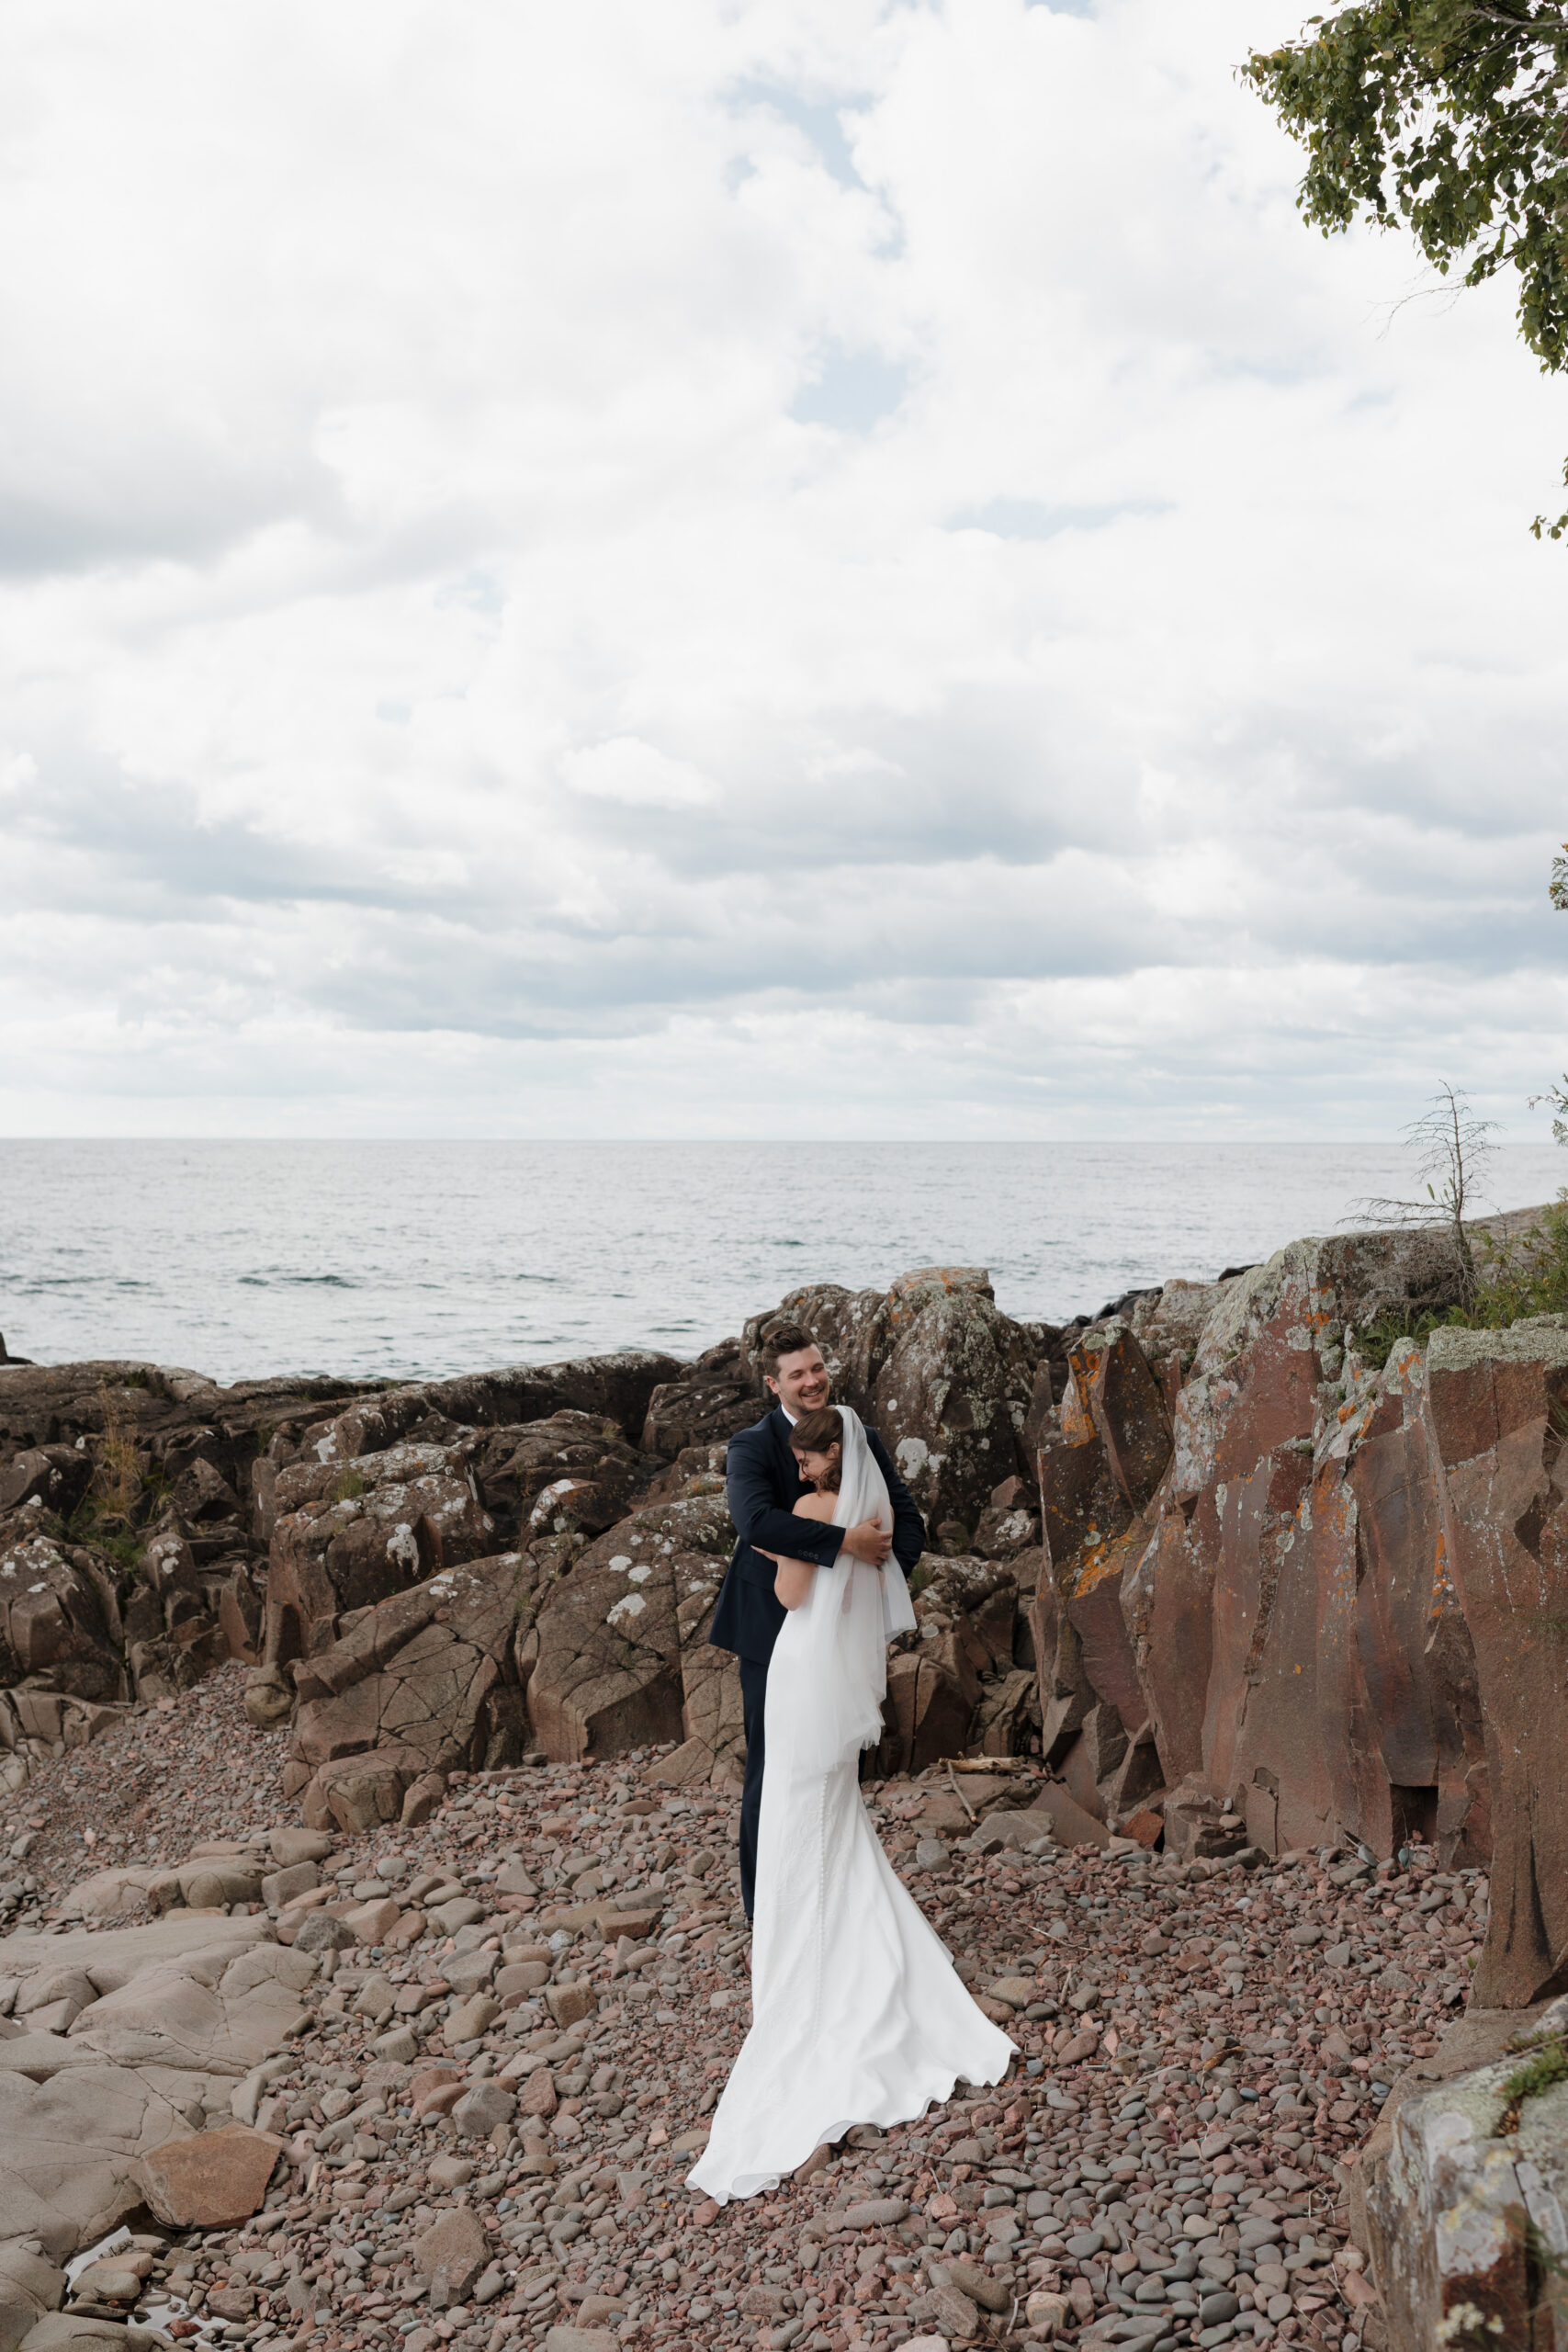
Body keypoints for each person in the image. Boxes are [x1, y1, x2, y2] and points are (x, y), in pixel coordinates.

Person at [688, 1403, 1014, 2202]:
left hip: (801, 1677)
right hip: (833, 1685)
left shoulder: (808, 1507)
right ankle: (857, 1952)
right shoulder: (868, 1513)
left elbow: (792, 1594)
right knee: (836, 1826)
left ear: (827, 1457)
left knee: (797, 1821)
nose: (797, 1472)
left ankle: (804, 1960)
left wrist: (776, 1538)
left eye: (806, 1460)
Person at [709, 1324, 925, 1919]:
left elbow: (906, 1525)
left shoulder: (858, 1438)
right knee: (772, 1765)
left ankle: (827, 1898)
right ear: (773, 1383)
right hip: (767, 1628)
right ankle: (765, 1911)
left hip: (836, 1631)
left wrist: (865, 1581)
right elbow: (755, 1523)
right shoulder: (750, 1446)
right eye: (796, 1374)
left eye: (815, 1368)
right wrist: (844, 1544)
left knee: (830, 1764)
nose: (810, 1381)